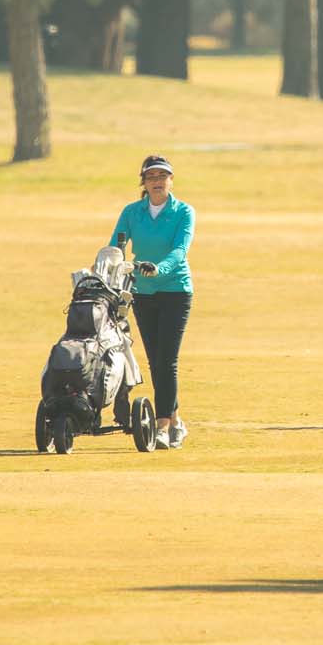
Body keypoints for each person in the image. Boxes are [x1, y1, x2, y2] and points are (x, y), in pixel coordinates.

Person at [110, 154, 195, 449]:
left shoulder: (184, 212)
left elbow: (180, 250)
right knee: (156, 360)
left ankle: (162, 428)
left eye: (163, 176)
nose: (158, 182)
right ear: (144, 183)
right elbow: (116, 247)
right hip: (143, 292)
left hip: (175, 290)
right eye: (152, 177)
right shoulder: (132, 212)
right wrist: (108, 270)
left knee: (166, 361)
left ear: (171, 180)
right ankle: (177, 421)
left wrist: (160, 268)